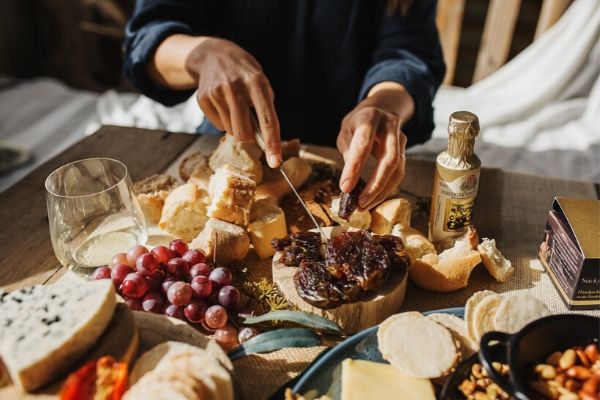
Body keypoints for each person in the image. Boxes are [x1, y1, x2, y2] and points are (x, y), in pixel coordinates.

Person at [124, 0, 445, 210]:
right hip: (234, 143)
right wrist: (201, 54)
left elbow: (408, 50)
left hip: (356, 155)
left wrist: (384, 103)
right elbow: (147, 41)